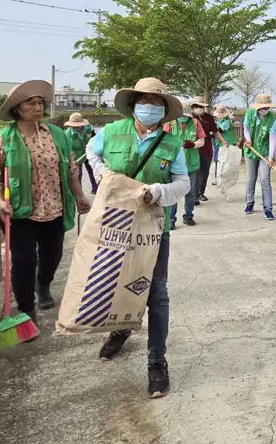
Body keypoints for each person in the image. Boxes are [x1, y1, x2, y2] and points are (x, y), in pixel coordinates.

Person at [86, 77, 190, 398]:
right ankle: (121, 328)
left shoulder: (172, 144)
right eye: (145, 101)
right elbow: (92, 153)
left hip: (155, 229)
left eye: (157, 103)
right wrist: (103, 173)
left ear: (164, 110)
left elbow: (183, 183)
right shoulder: (111, 132)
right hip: (116, 224)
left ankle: (157, 359)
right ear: (133, 105)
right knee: (118, 283)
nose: (150, 106)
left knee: (156, 292)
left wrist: (160, 192)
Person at [0, 81, 91, 325]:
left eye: (40, 102)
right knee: (23, 261)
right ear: (16, 109)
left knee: (52, 257)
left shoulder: (58, 135)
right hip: (20, 212)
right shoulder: (3, 140)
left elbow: (71, 170)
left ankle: (43, 284)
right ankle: (26, 309)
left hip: (54, 209)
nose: (37, 107)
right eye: (30, 103)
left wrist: (79, 196)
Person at [163, 105, 205, 227]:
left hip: (191, 163)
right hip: (173, 163)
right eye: (181, 116)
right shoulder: (169, 124)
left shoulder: (196, 123)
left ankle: (188, 216)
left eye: (186, 116)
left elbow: (202, 141)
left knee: (190, 191)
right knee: (173, 191)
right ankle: (171, 219)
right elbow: (162, 140)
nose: (183, 118)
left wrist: (192, 144)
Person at [243, 94, 276, 220]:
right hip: (251, 151)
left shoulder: (272, 119)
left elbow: (272, 138)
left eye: (267, 107)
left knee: (265, 179)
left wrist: (271, 156)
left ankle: (268, 208)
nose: (265, 109)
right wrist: (248, 140)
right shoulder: (250, 113)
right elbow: (246, 128)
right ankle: (249, 203)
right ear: (258, 107)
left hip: (264, 152)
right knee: (250, 179)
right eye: (263, 107)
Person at [190, 98, 216, 204]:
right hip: (193, 149)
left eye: (201, 106)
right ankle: (194, 195)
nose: (199, 108)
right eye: (196, 106)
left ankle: (200, 193)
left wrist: (223, 141)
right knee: (195, 173)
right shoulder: (190, 118)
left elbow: (215, 131)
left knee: (204, 173)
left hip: (207, 148)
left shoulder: (209, 118)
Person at [64, 112, 97, 194]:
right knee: (78, 174)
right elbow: (67, 149)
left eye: (77, 126)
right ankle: (79, 193)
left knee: (93, 170)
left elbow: (95, 138)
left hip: (88, 152)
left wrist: (93, 148)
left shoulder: (88, 128)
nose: (75, 127)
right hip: (76, 155)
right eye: (73, 126)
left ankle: (95, 188)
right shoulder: (67, 135)